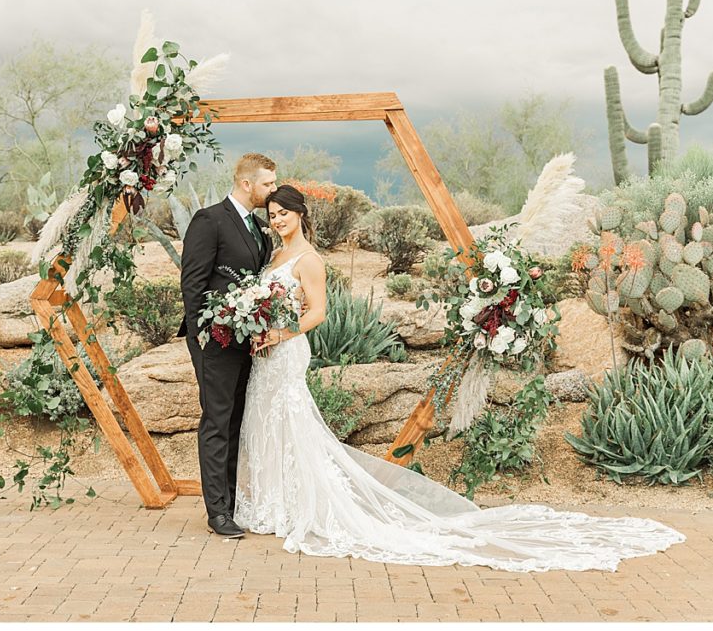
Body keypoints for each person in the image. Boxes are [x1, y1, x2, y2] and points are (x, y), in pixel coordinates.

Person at [233, 184, 686, 572]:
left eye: (285, 215)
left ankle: (302, 505)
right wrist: (258, 327)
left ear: (301, 216)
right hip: (266, 352)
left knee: (292, 422)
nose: (278, 222)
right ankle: (275, 502)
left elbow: (318, 313)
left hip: (288, 348)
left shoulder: (309, 259)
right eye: (272, 216)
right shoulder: (276, 252)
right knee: (267, 421)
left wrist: (279, 330)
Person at [179, 153, 278, 538]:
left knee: (236, 421)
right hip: (213, 342)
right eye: (268, 184)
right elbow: (193, 285)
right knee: (217, 421)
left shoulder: (255, 226)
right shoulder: (210, 220)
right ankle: (216, 511)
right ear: (247, 183)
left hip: (244, 342)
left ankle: (231, 504)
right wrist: (204, 336)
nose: (272, 190)